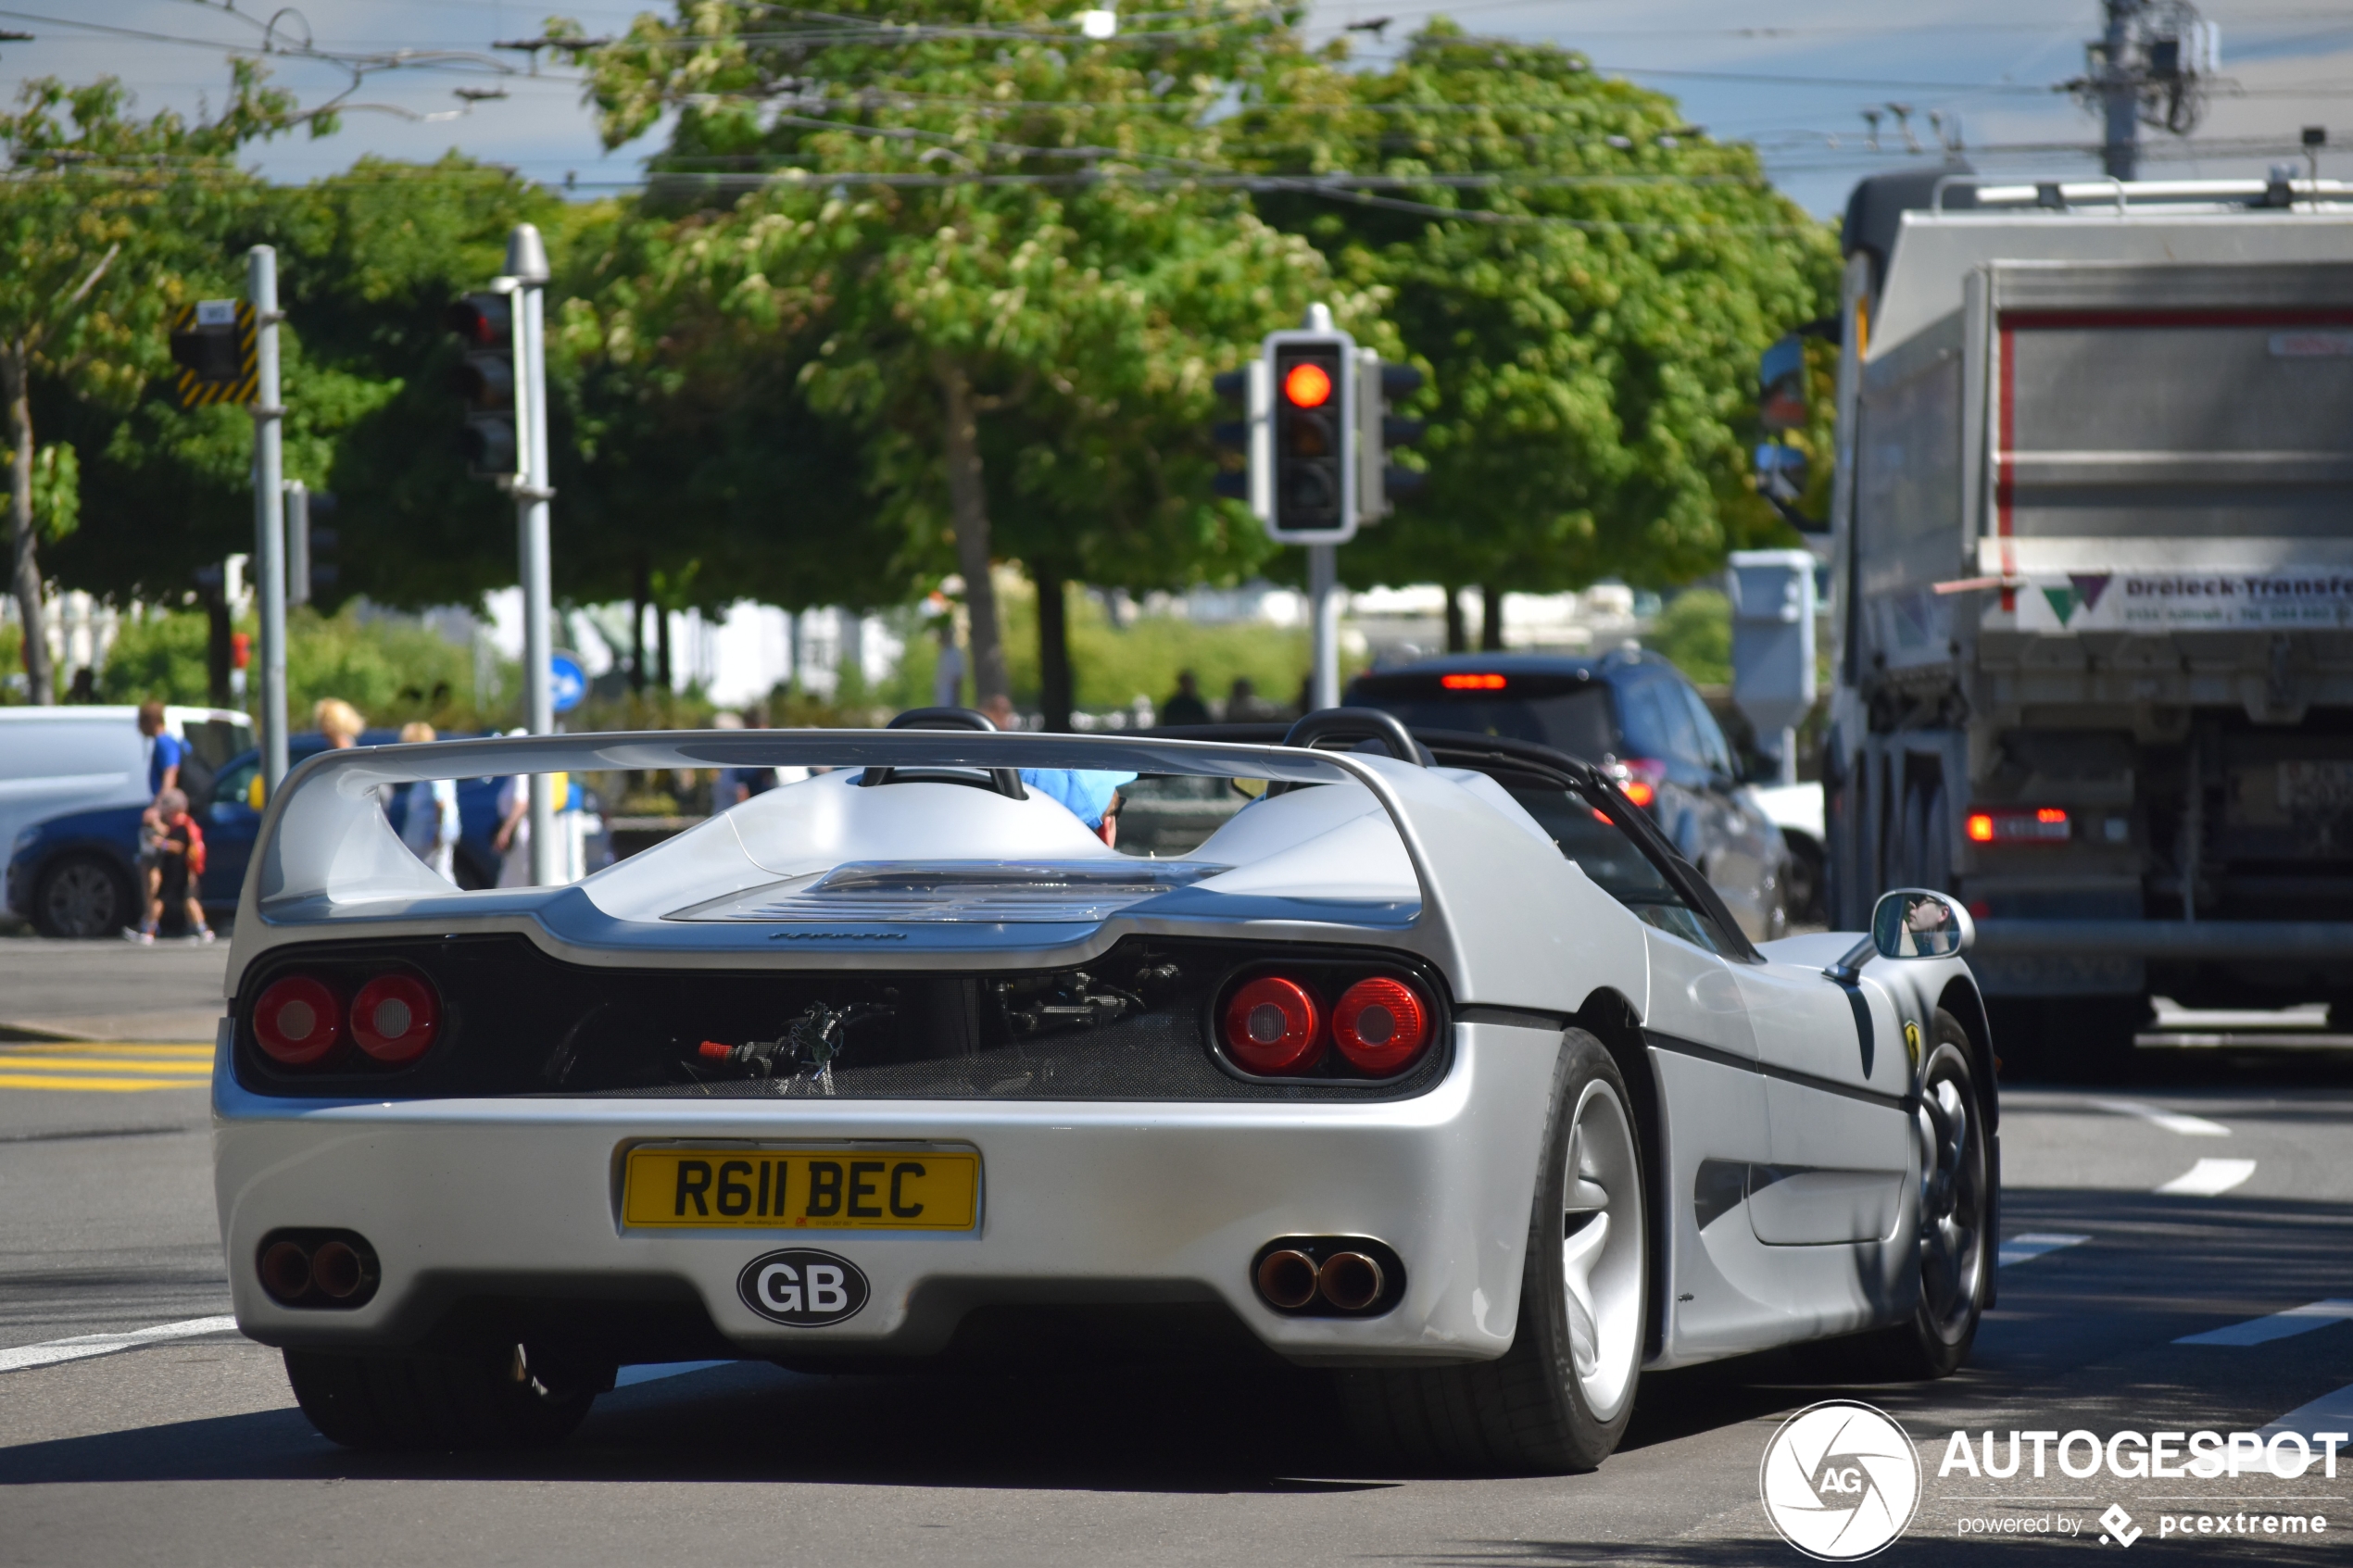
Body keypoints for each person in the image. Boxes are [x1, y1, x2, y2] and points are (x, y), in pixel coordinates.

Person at [132, 788, 212, 945]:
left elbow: (179, 846)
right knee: (188, 900)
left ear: (174, 810)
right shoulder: (184, 825)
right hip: (181, 871)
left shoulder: (182, 827)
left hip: (176, 871)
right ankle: (203, 930)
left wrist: (162, 843)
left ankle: (149, 931)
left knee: (159, 899)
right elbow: (169, 833)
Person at [396, 721, 460, 882]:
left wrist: (438, 832)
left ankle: (457, 904)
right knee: (438, 873)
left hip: (428, 834)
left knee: (439, 875)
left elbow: (440, 802)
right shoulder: (432, 766)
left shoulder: (431, 767)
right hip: (429, 834)